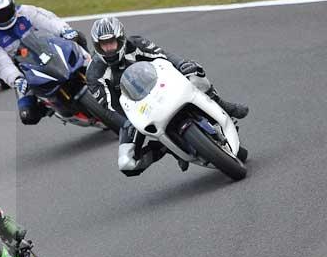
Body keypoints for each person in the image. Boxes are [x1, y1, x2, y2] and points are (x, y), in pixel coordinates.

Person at [85, 16, 249, 176]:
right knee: (127, 164)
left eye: (111, 43)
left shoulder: (135, 43)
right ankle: (164, 147)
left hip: (160, 86)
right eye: (104, 45)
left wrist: (181, 64)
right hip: (135, 111)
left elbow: (163, 56)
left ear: (120, 39)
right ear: (97, 46)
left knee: (194, 69)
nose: (109, 49)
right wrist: (127, 122)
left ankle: (222, 104)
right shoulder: (94, 73)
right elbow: (110, 107)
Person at [0, 0, 89, 125]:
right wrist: (16, 79)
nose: (3, 17)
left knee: (78, 36)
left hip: (48, 51)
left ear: (12, 6)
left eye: (5, 11)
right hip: (25, 71)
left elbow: (48, 21)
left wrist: (64, 30)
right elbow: (1, 65)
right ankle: (52, 107)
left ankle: (93, 63)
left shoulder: (26, 12)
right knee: (28, 115)